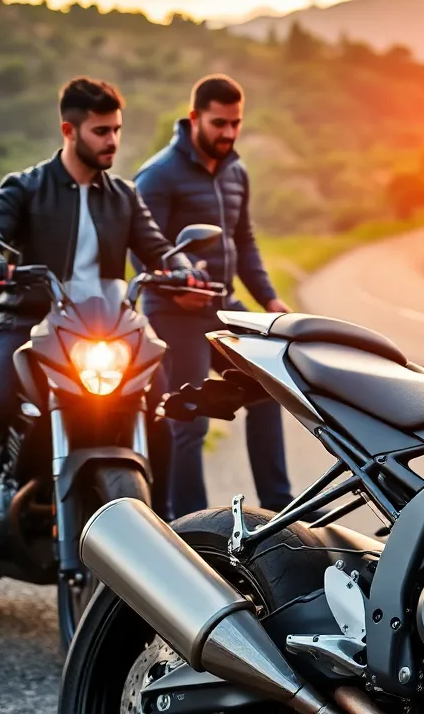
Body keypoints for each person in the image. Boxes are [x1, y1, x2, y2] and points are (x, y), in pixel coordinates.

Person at [0, 78, 207, 569]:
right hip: (33, 323)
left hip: (107, 329)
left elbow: (157, 249)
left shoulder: (125, 197)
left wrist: (186, 269)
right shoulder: (26, 187)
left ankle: (167, 527)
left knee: (158, 406)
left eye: (116, 130)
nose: (112, 141)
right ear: (68, 130)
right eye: (101, 131)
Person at [135, 74, 294, 519]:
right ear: (194, 119)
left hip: (222, 306)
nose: (227, 133)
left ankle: (280, 511)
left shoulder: (235, 171)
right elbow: (140, 247)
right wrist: (173, 287)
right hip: (173, 313)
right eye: (218, 123)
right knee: (190, 415)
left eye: (235, 123)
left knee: (268, 386)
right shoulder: (159, 174)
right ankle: (189, 524)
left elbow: (244, 242)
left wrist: (269, 299)